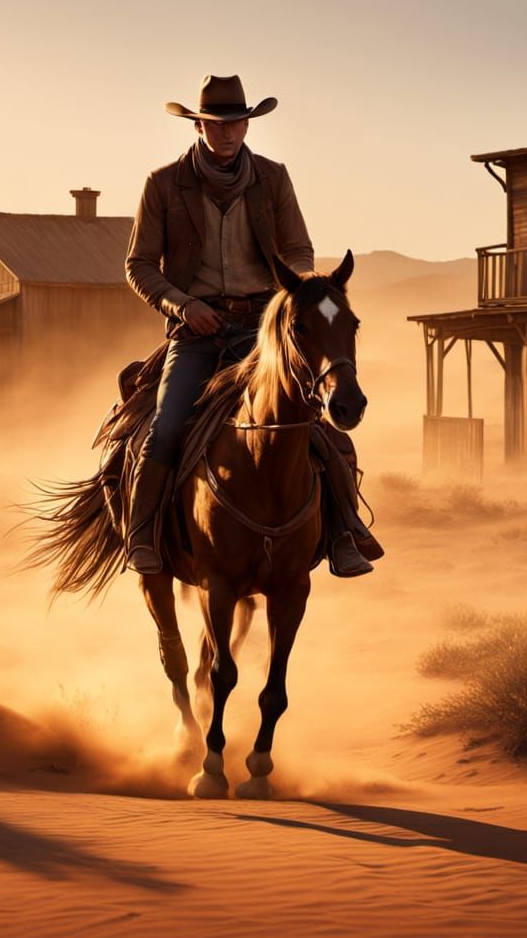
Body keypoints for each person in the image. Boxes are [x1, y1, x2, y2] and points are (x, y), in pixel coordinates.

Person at [124, 73, 380, 577]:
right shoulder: (162, 185)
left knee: (314, 426)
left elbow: (299, 249)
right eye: (216, 124)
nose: (227, 132)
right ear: (198, 126)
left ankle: (344, 532)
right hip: (194, 331)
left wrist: (300, 290)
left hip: (262, 330)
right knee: (167, 425)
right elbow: (139, 266)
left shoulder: (273, 178)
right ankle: (141, 537)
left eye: (236, 123)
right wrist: (182, 306)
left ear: (247, 125)